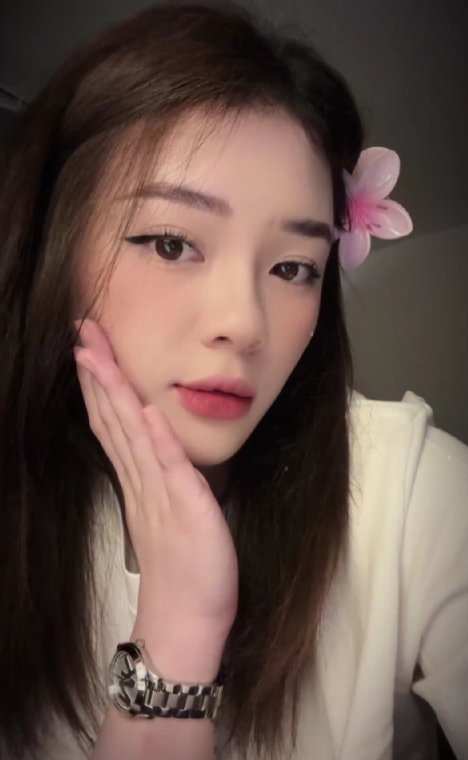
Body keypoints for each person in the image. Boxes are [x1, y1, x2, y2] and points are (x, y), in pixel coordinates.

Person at [0, 1, 466, 758]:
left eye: (293, 268)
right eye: (171, 243)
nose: (244, 323)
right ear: (56, 251)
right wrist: (177, 625)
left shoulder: (413, 491)